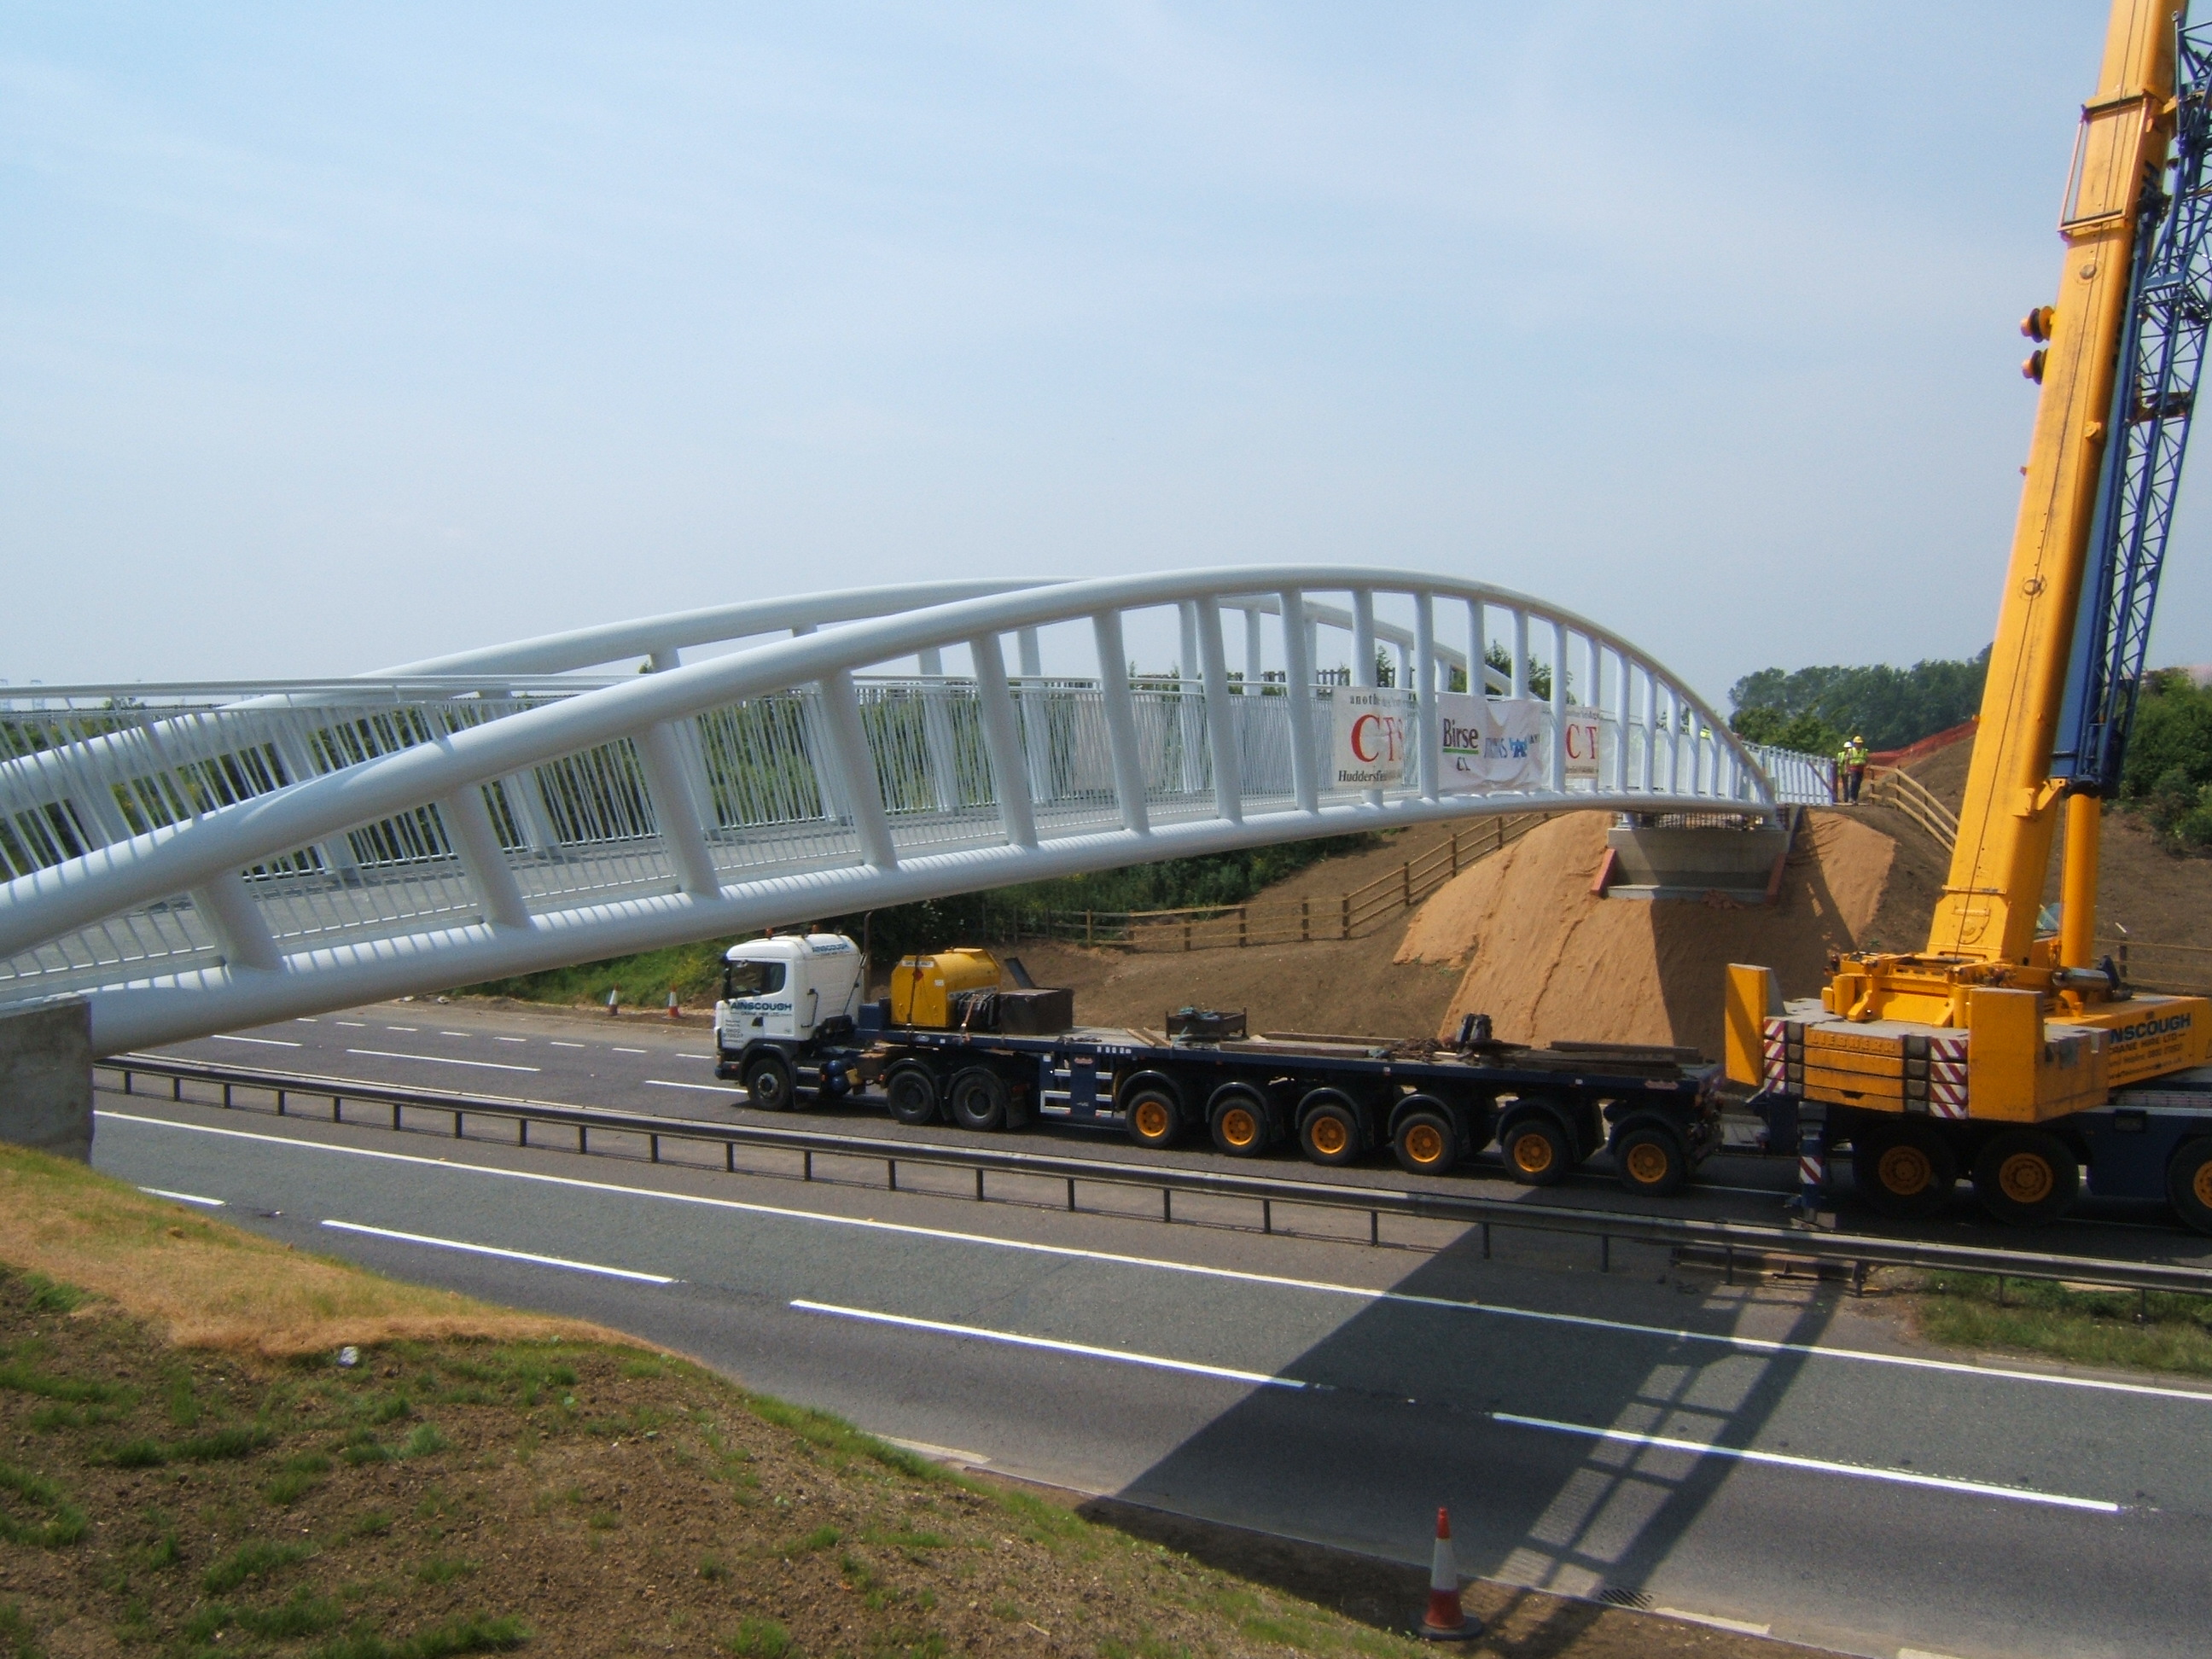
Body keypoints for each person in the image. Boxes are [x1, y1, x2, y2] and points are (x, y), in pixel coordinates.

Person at [1839, 733, 1869, 803]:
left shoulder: (1864, 751)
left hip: (1861, 769)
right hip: (1853, 769)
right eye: (1857, 743)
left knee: (1858, 784)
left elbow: (1867, 759)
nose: (1859, 745)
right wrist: (1847, 769)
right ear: (1854, 744)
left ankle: (1855, 798)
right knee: (1854, 781)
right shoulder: (1851, 751)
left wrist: (1867, 765)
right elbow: (1847, 760)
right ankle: (1851, 798)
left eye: (1860, 743)